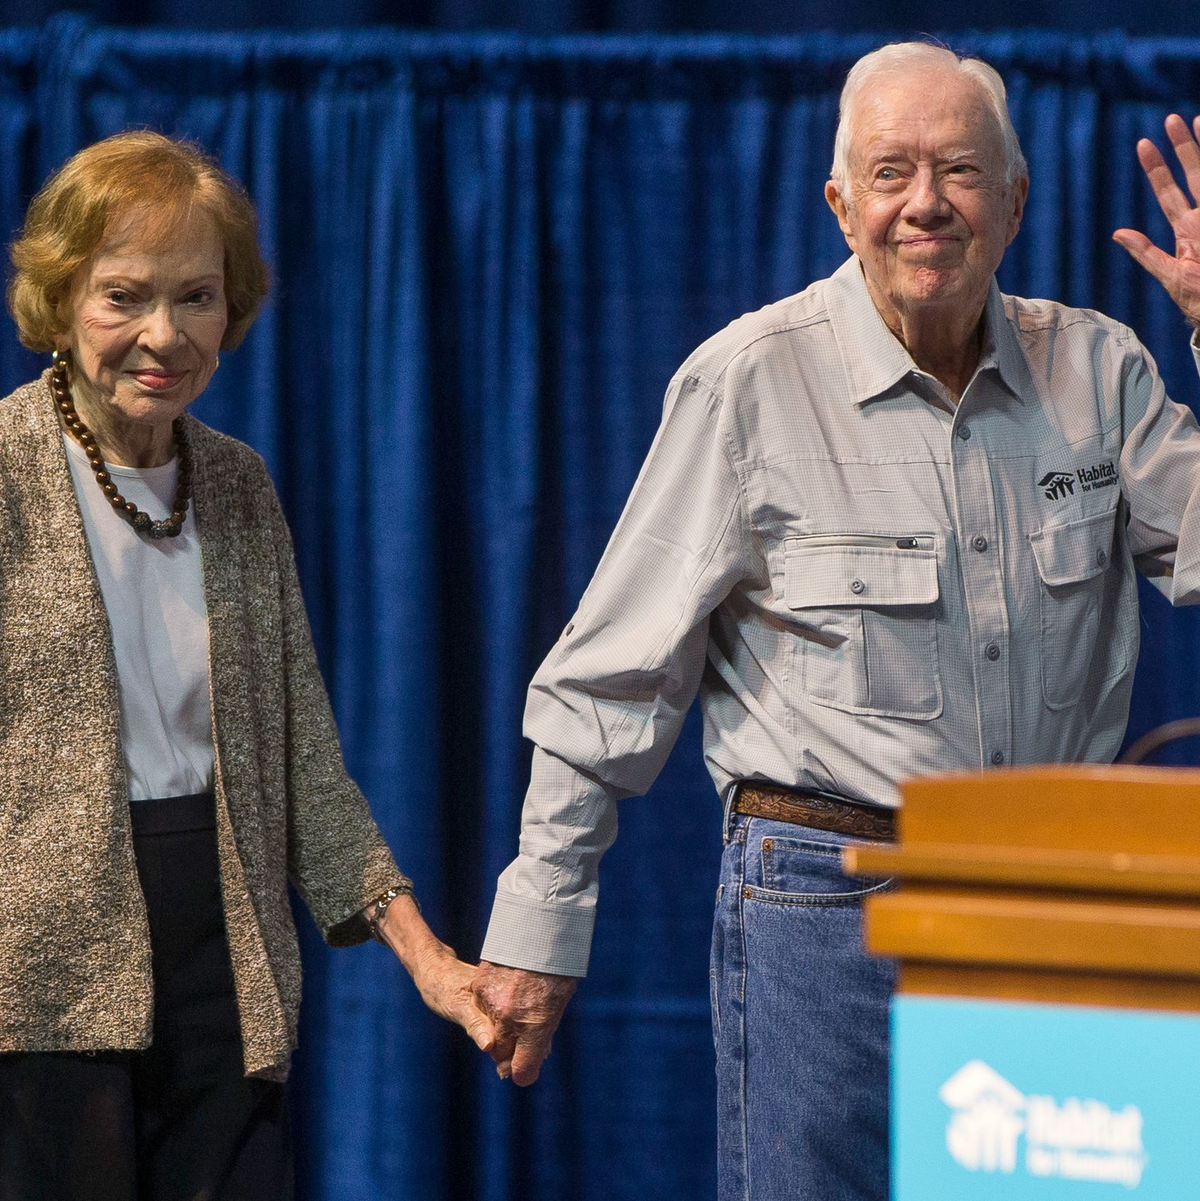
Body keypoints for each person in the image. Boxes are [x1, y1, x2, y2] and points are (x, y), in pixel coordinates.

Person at [469, 40, 1200, 1201]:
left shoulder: (1102, 373)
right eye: (891, 171)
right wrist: (539, 925)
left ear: (1013, 203)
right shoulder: (747, 381)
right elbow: (612, 680)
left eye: (961, 171)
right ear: (840, 202)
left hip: (1056, 906)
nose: (926, 204)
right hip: (825, 908)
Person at [0, 130, 492, 1201]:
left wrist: (430, 960)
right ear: (60, 296)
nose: (163, 335)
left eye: (197, 297)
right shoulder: (3, 473)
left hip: (226, 953)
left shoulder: (237, 486)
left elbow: (304, 764)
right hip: (32, 982)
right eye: (123, 295)